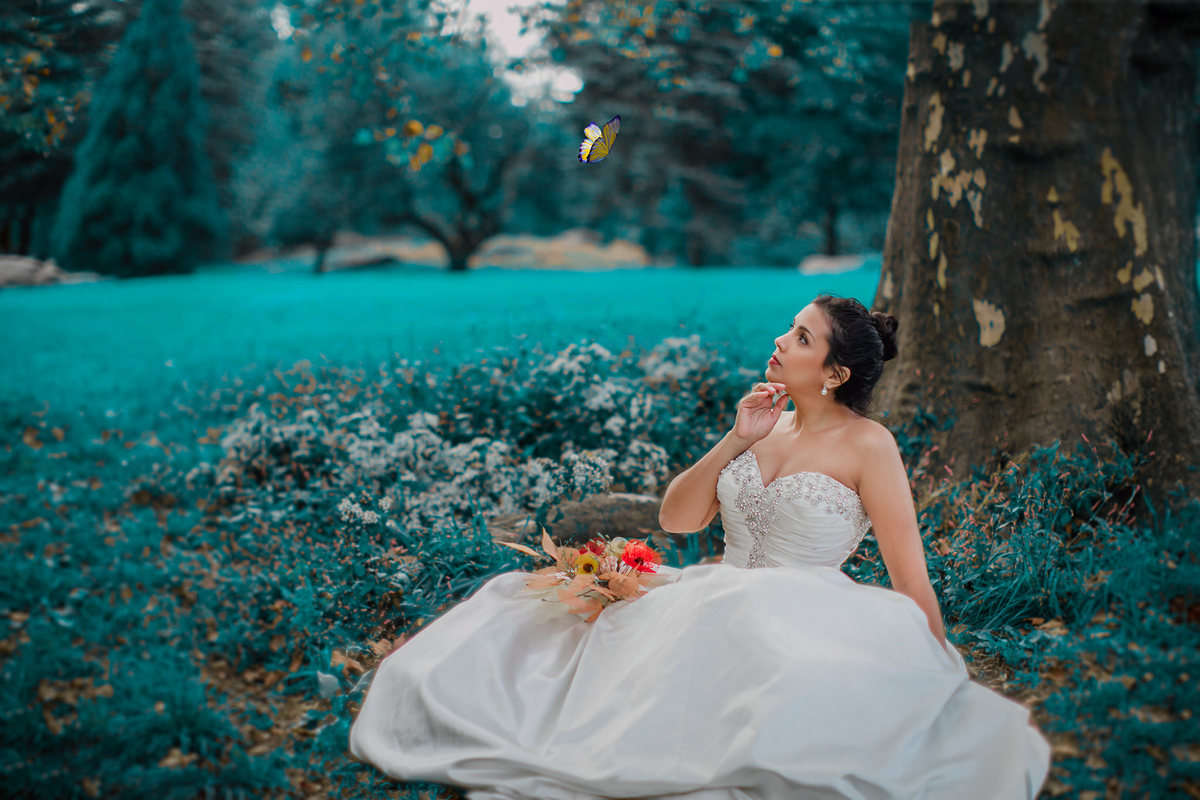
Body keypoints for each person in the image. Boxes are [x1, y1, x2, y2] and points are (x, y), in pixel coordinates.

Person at [349, 295, 1052, 800]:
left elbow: (910, 574)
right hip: (717, 590)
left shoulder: (871, 446)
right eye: (790, 329)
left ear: (835, 373)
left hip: (808, 612)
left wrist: (934, 668)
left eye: (801, 337)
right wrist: (736, 438)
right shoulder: (765, 426)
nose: (780, 340)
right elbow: (677, 519)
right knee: (525, 618)